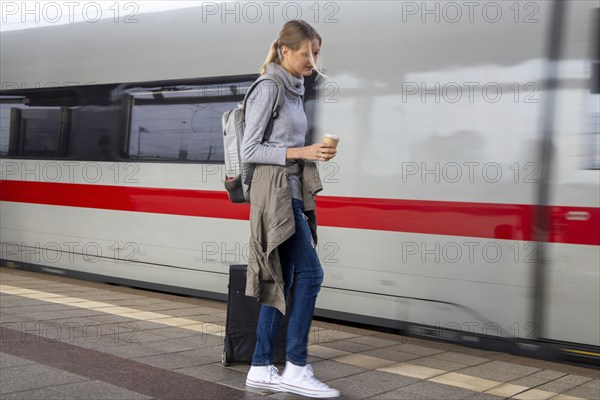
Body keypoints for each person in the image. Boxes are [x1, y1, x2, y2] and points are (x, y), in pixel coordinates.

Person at [241, 20, 340, 399]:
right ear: (285, 51)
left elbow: (282, 143)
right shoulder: (269, 87)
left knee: (283, 279)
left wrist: (315, 152)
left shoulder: (294, 90)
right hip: (276, 195)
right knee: (312, 274)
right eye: (306, 54)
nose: (312, 61)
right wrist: (302, 152)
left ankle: (260, 365)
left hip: (293, 192)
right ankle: (296, 367)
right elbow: (249, 150)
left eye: (316, 54)